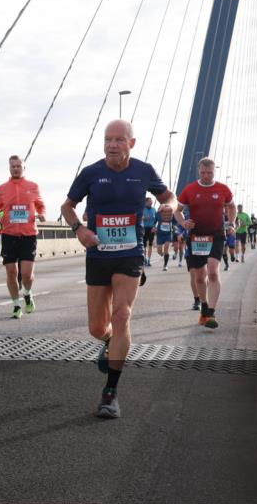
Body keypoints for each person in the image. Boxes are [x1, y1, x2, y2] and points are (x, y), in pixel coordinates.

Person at [61, 120, 175, 419]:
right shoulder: (91, 173)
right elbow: (67, 206)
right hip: (98, 253)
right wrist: (79, 230)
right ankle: (109, 341)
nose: (112, 145)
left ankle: (110, 392)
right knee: (97, 328)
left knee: (122, 314)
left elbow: (169, 197)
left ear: (131, 143)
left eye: (119, 140)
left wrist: (170, 207)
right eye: (108, 140)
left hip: (130, 253)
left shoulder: (143, 171)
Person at [175, 158, 236, 330]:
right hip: (196, 237)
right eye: (203, 173)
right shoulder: (190, 189)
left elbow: (232, 207)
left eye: (209, 173)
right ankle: (203, 305)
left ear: (214, 172)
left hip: (216, 235)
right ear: (198, 171)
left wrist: (231, 224)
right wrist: (183, 223)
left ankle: (211, 312)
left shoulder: (223, 189)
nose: (206, 176)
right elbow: (177, 211)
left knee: (213, 272)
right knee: (200, 277)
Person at [0, 155, 46, 318]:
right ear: (9, 167)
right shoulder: (1, 189)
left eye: (18, 166)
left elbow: (41, 205)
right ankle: (15, 305)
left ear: (23, 168)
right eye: (13, 166)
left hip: (29, 235)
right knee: (12, 272)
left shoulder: (33, 186)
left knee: (27, 274)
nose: (16, 168)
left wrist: (42, 214)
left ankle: (27, 293)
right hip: (8, 235)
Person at [153, 204, 176, 271]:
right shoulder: (158, 214)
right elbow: (154, 222)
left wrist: (175, 226)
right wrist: (154, 227)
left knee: (166, 248)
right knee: (159, 252)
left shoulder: (170, 214)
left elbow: (174, 222)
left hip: (168, 234)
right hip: (160, 235)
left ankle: (165, 265)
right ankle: (164, 255)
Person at [141, 197, 158, 267]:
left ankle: (149, 260)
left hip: (152, 229)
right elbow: (138, 217)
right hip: (144, 228)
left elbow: (156, 220)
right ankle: (144, 258)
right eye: (149, 201)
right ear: (145, 202)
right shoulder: (142, 209)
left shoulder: (154, 209)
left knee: (150, 244)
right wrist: (144, 218)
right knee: (144, 245)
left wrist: (155, 227)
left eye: (151, 201)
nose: (151, 202)